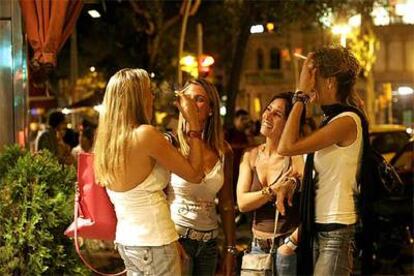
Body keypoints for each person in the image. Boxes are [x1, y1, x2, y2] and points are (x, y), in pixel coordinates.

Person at [93, 68, 204, 276]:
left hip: (129, 242)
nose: (152, 96)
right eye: (148, 91)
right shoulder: (145, 135)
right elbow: (196, 174)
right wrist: (194, 124)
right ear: (137, 98)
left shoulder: (107, 142)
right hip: (153, 241)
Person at [277, 46, 364, 275]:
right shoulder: (331, 120)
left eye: (310, 74)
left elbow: (286, 146)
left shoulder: (346, 120)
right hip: (319, 227)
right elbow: (320, 175)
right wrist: (293, 183)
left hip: (337, 230)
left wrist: (300, 95)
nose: (306, 80)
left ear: (329, 81)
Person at [167, 79, 236, 276]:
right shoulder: (170, 144)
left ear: (211, 109)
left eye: (199, 99)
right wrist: (169, 240)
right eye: (187, 99)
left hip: (209, 244)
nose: (191, 105)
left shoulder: (223, 151)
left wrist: (230, 248)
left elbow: (226, 202)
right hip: (178, 239)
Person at [237, 92, 304, 276]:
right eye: (268, 110)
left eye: (277, 114)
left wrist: (290, 244)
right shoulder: (250, 156)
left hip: (288, 248)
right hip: (257, 248)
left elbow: (313, 205)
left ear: (290, 123)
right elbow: (242, 203)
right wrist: (273, 191)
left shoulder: (296, 156)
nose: (267, 116)